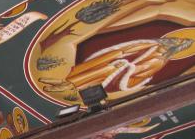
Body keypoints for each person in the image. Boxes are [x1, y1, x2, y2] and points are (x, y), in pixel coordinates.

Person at [40, 37, 193, 96]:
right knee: (106, 60)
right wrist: (119, 54)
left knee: (109, 68)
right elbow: (130, 47)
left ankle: (68, 85)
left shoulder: (159, 60)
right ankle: (65, 80)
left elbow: (141, 72)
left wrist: (126, 66)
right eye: (177, 38)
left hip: (124, 76)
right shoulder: (152, 44)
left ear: (175, 48)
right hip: (120, 62)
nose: (174, 40)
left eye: (178, 42)